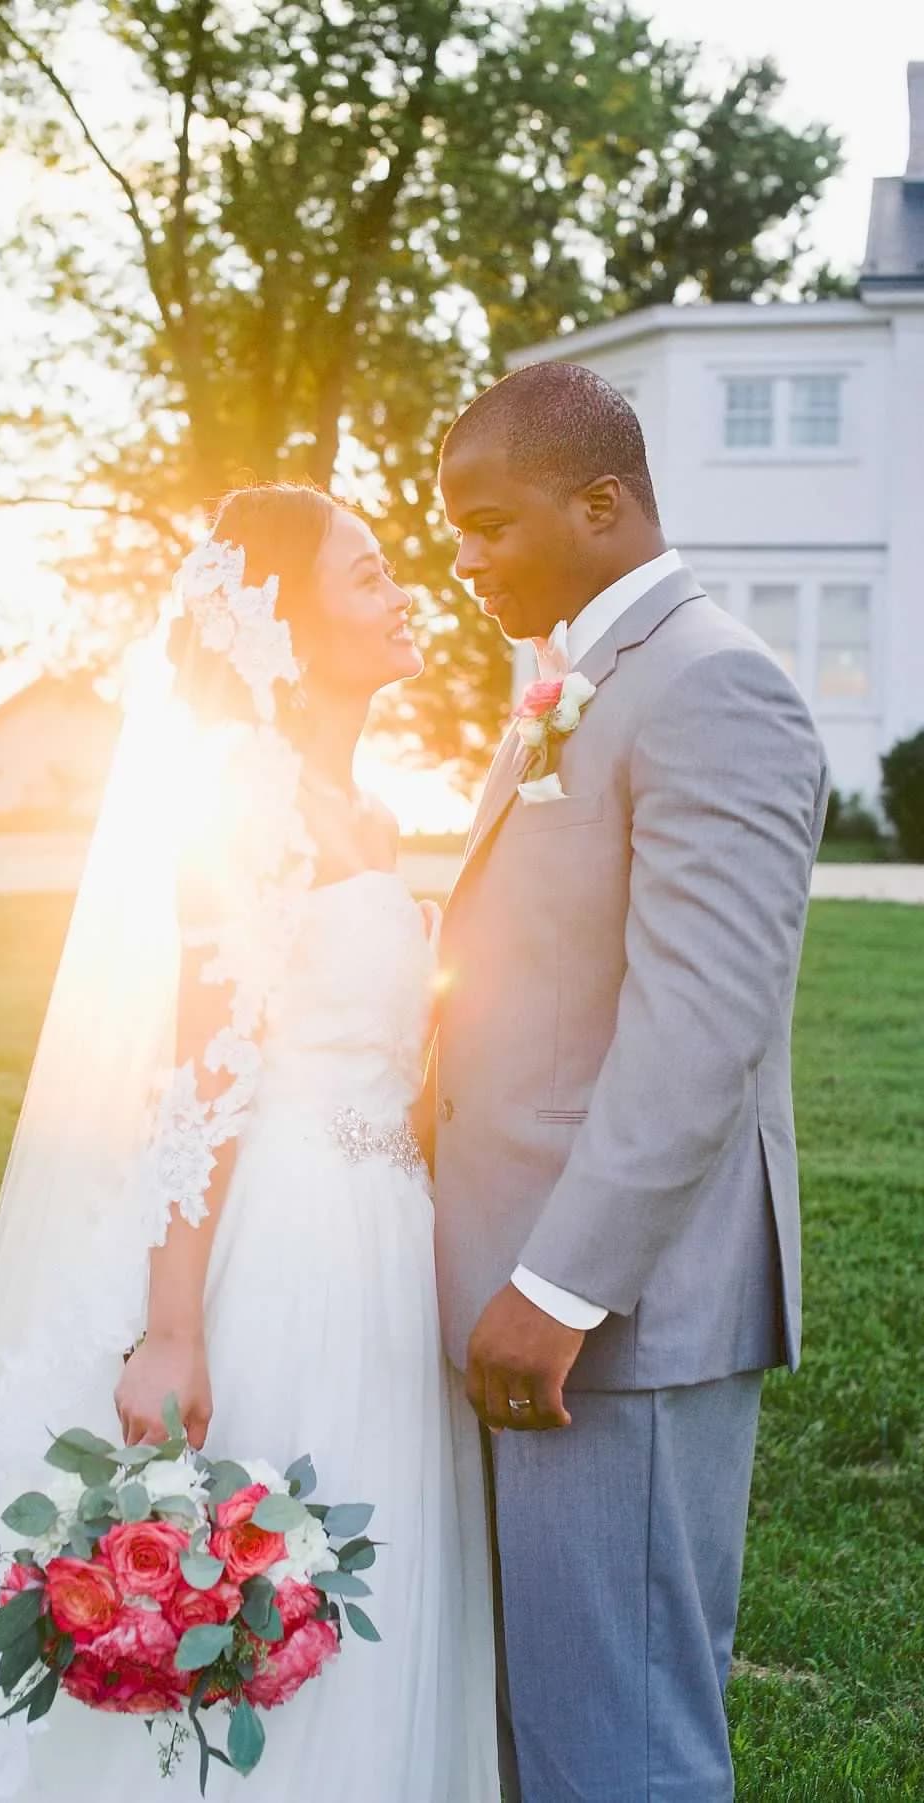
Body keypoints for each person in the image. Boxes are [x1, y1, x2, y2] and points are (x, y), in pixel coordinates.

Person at [0, 482, 498, 1802]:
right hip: (290, 1240)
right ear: (283, 617)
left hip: (390, 1230)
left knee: (361, 1568)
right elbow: (201, 1073)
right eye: (368, 573)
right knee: (255, 1548)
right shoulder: (247, 797)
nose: (401, 593)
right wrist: (173, 1327)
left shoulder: (359, 805)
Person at [432, 361, 829, 1802]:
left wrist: (561, 1288)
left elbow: (700, 1033)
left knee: (624, 1735)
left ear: (602, 505)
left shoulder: (713, 686)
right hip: (530, 1278)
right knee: (550, 1707)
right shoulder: (574, 679)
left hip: (621, 1314)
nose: (465, 561)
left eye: (488, 525)